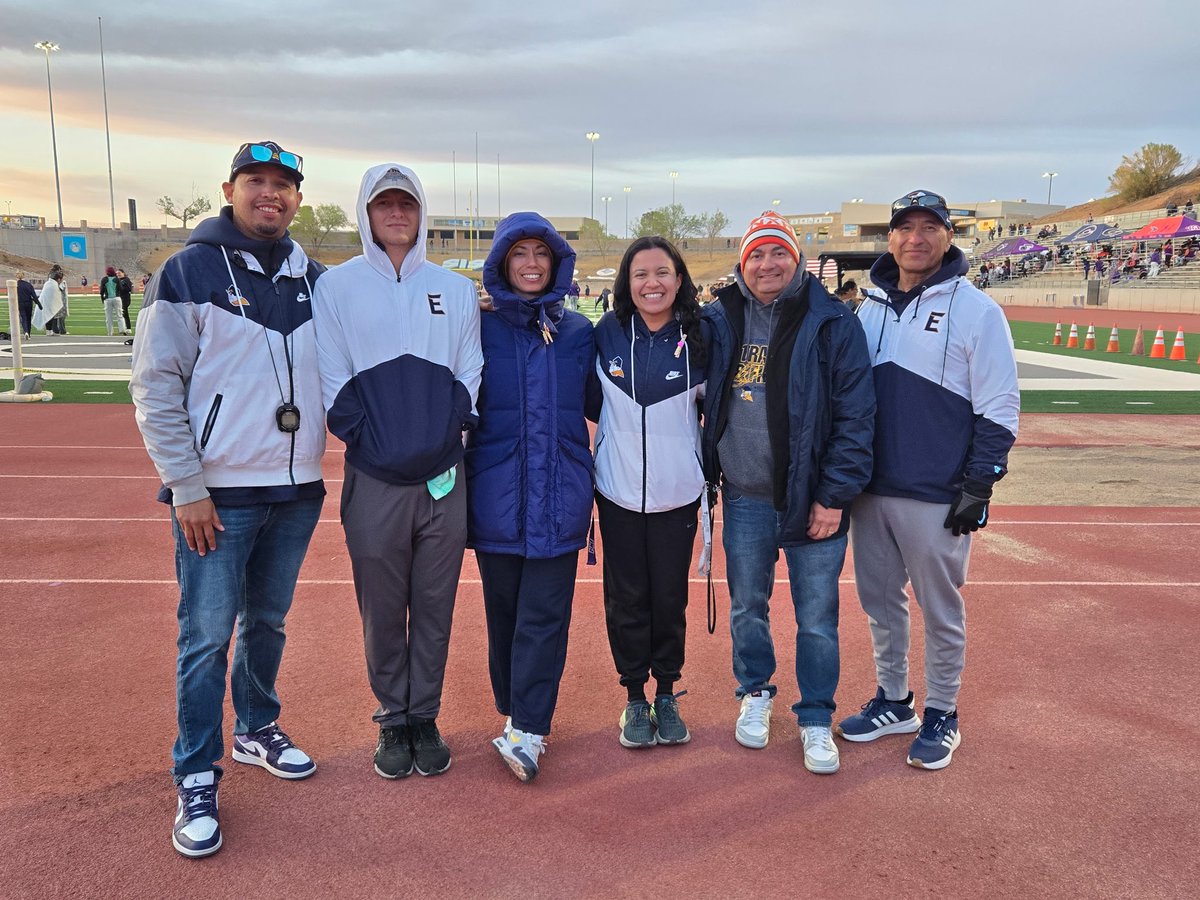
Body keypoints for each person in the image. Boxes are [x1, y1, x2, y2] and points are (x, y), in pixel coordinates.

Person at [129, 140, 326, 858]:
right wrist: (186, 487)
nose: (269, 193)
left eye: (282, 185)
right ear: (229, 188)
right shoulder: (187, 271)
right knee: (207, 636)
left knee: (267, 623)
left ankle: (255, 729)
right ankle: (196, 771)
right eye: (256, 181)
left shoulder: (316, 279)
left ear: (298, 199)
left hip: (297, 489)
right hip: (216, 495)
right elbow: (154, 386)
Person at [313, 163, 482, 781]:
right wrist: (383, 448)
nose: (396, 214)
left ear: (421, 213)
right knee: (382, 607)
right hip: (376, 481)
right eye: (384, 204)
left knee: (434, 605)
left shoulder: (455, 289)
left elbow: (469, 377)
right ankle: (392, 717)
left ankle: (425, 714)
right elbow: (335, 387)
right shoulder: (336, 288)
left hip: (443, 479)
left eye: (406, 204)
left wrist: (438, 441)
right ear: (366, 212)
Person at [839, 189, 1019, 771]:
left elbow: (1000, 406)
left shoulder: (977, 310)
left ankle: (944, 710)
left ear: (948, 236)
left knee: (940, 608)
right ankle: (895, 700)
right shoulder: (867, 308)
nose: (914, 238)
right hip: (869, 489)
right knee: (879, 603)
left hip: (936, 492)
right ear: (888, 238)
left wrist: (980, 484)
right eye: (904, 228)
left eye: (928, 227)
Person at [701, 211, 875, 775]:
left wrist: (834, 496)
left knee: (817, 617)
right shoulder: (719, 318)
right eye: (757, 254)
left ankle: (816, 717)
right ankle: (755, 691)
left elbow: (855, 417)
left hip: (813, 499)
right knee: (748, 607)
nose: (767, 264)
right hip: (746, 496)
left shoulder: (832, 322)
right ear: (742, 262)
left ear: (797, 259)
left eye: (779, 253)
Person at [465, 211, 597, 783]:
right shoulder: (478, 325)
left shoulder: (577, 332)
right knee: (505, 615)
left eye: (542, 254)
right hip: (496, 493)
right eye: (519, 254)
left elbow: (605, 399)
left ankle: (529, 726)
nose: (532, 265)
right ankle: (516, 707)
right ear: (501, 263)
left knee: (545, 616)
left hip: (561, 494)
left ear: (557, 263)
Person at [593, 236, 707, 749]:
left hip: (677, 495)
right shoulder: (605, 334)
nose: (652, 283)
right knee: (626, 599)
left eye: (662, 272)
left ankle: (666, 690)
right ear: (627, 283)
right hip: (616, 494)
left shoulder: (702, 338)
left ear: (679, 279)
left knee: (669, 597)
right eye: (640, 274)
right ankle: (635, 697)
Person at [34, 265, 66, 334]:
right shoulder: (55, 278)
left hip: (47, 298)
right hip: (49, 299)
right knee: (50, 314)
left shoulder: (50, 277)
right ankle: (50, 330)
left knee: (48, 314)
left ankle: (49, 330)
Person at [99, 266, 128, 336]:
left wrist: (102, 299)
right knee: (119, 315)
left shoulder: (104, 279)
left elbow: (101, 291)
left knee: (108, 317)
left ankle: (110, 332)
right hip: (117, 298)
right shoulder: (117, 279)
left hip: (108, 299)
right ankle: (122, 330)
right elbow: (121, 289)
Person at [15, 271, 40, 340]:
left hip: (20, 303)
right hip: (29, 303)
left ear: (16, 276)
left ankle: (25, 331)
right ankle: (28, 333)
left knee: (23, 317)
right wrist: (39, 304)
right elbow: (34, 296)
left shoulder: (15, 285)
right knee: (28, 318)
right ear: (23, 276)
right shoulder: (28, 285)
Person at [117, 268, 135, 333]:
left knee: (125, 312)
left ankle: (128, 328)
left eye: (119, 273)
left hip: (125, 298)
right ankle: (123, 328)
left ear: (123, 273)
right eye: (117, 273)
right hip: (119, 298)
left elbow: (129, 289)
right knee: (120, 313)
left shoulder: (126, 279)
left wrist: (122, 287)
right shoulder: (117, 280)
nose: (118, 274)